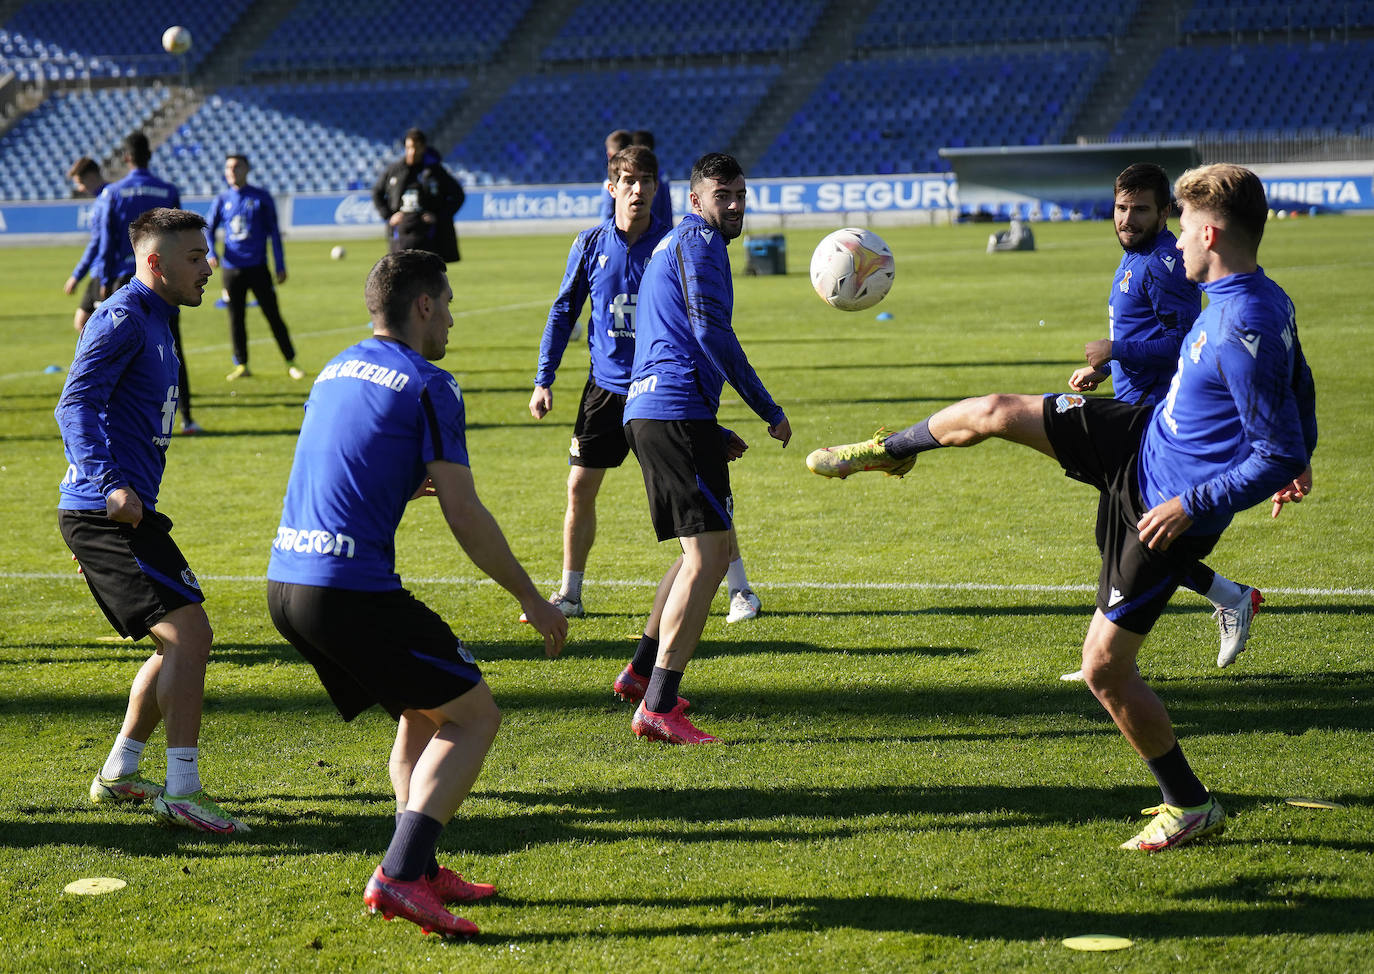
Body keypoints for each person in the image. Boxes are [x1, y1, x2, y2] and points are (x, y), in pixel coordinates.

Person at [806, 164, 1316, 851]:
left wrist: (1200, 500)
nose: (1178, 241)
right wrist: (1302, 449)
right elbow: (1299, 383)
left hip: (1162, 504)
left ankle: (1190, 804)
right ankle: (892, 448)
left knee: (1104, 668)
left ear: (1211, 231)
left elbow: (1275, 448)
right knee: (996, 411)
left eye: (1185, 226)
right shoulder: (1260, 296)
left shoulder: (1244, 321)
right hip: (1139, 434)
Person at [266, 250, 567, 939]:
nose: (454, 320)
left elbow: (344, 464)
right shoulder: (429, 382)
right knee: (474, 716)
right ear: (424, 306)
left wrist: (402, 482)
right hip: (348, 590)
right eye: (449, 304)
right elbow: (465, 512)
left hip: (288, 583)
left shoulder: (336, 365)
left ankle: (421, 866)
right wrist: (533, 596)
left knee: (422, 711)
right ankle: (400, 875)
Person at [56, 207, 246, 835]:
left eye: (207, 254)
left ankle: (119, 771)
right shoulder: (121, 318)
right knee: (189, 635)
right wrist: (107, 486)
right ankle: (184, 791)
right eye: (195, 257)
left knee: (182, 641)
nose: (208, 267)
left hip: (127, 511)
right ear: (155, 263)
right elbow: (74, 403)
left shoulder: (160, 319)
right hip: (104, 510)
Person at [528, 145, 763, 625]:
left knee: (699, 498)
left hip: (661, 391)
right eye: (628, 182)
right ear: (611, 188)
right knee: (579, 487)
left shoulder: (673, 243)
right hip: (606, 389)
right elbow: (563, 311)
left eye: (647, 182)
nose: (639, 191)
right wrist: (543, 378)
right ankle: (570, 593)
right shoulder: (590, 244)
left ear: (659, 188)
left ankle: (739, 589)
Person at [1061, 162, 1260, 679]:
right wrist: (1106, 366)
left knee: (1132, 537)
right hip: (1133, 405)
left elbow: (1188, 340)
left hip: (1153, 420)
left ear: (1165, 212)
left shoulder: (1164, 263)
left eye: (1140, 209)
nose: (1127, 219)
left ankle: (1105, 660)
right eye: (1121, 208)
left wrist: (1117, 348)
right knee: (1118, 538)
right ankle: (1227, 596)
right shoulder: (1135, 258)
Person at [619, 152, 792, 745]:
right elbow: (708, 329)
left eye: (742, 193)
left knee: (699, 551)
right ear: (696, 199)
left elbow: (664, 338)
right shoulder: (699, 244)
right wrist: (767, 407)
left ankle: (641, 674)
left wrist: (706, 423)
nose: (736, 204)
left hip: (657, 411)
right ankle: (659, 706)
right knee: (709, 559)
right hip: (672, 413)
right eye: (724, 195)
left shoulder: (670, 244)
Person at [98, 132, 200, 434]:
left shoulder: (113, 193)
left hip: (125, 283)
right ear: (149, 156)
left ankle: (123, 420)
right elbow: (184, 237)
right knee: (172, 350)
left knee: (119, 350)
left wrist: (104, 282)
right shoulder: (167, 190)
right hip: (163, 282)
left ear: (127, 158)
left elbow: (106, 242)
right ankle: (186, 417)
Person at [207, 153, 306, 382]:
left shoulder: (261, 197)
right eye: (228, 168)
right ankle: (242, 364)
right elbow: (208, 228)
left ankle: (291, 361)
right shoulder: (222, 199)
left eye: (236, 167)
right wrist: (212, 252)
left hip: (258, 267)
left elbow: (274, 233)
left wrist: (280, 265)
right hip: (232, 270)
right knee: (235, 318)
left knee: (273, 315)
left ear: (247, 169)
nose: (232, 171)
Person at [372, 128, 465, 263]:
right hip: (401, 231)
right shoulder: (394, 170)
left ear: (423, 148)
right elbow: (377, 193)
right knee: (399, 271)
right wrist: (388, 215)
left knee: (429, 274)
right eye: (409, 147)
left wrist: (439, 217)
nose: (412, 152)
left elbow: (458, 195)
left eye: (416, 147)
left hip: (429, 233)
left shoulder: (435, 171)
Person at [62, 156, 110, 333]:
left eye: (81, 182)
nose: (80, 188)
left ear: (91, 176)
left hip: (104, 270)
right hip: (101, 270)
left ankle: (106, 359)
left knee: (93, 325)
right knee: (83, 322)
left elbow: (97, 243)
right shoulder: (108, 196)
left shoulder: (106, 199)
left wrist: (76, 275)